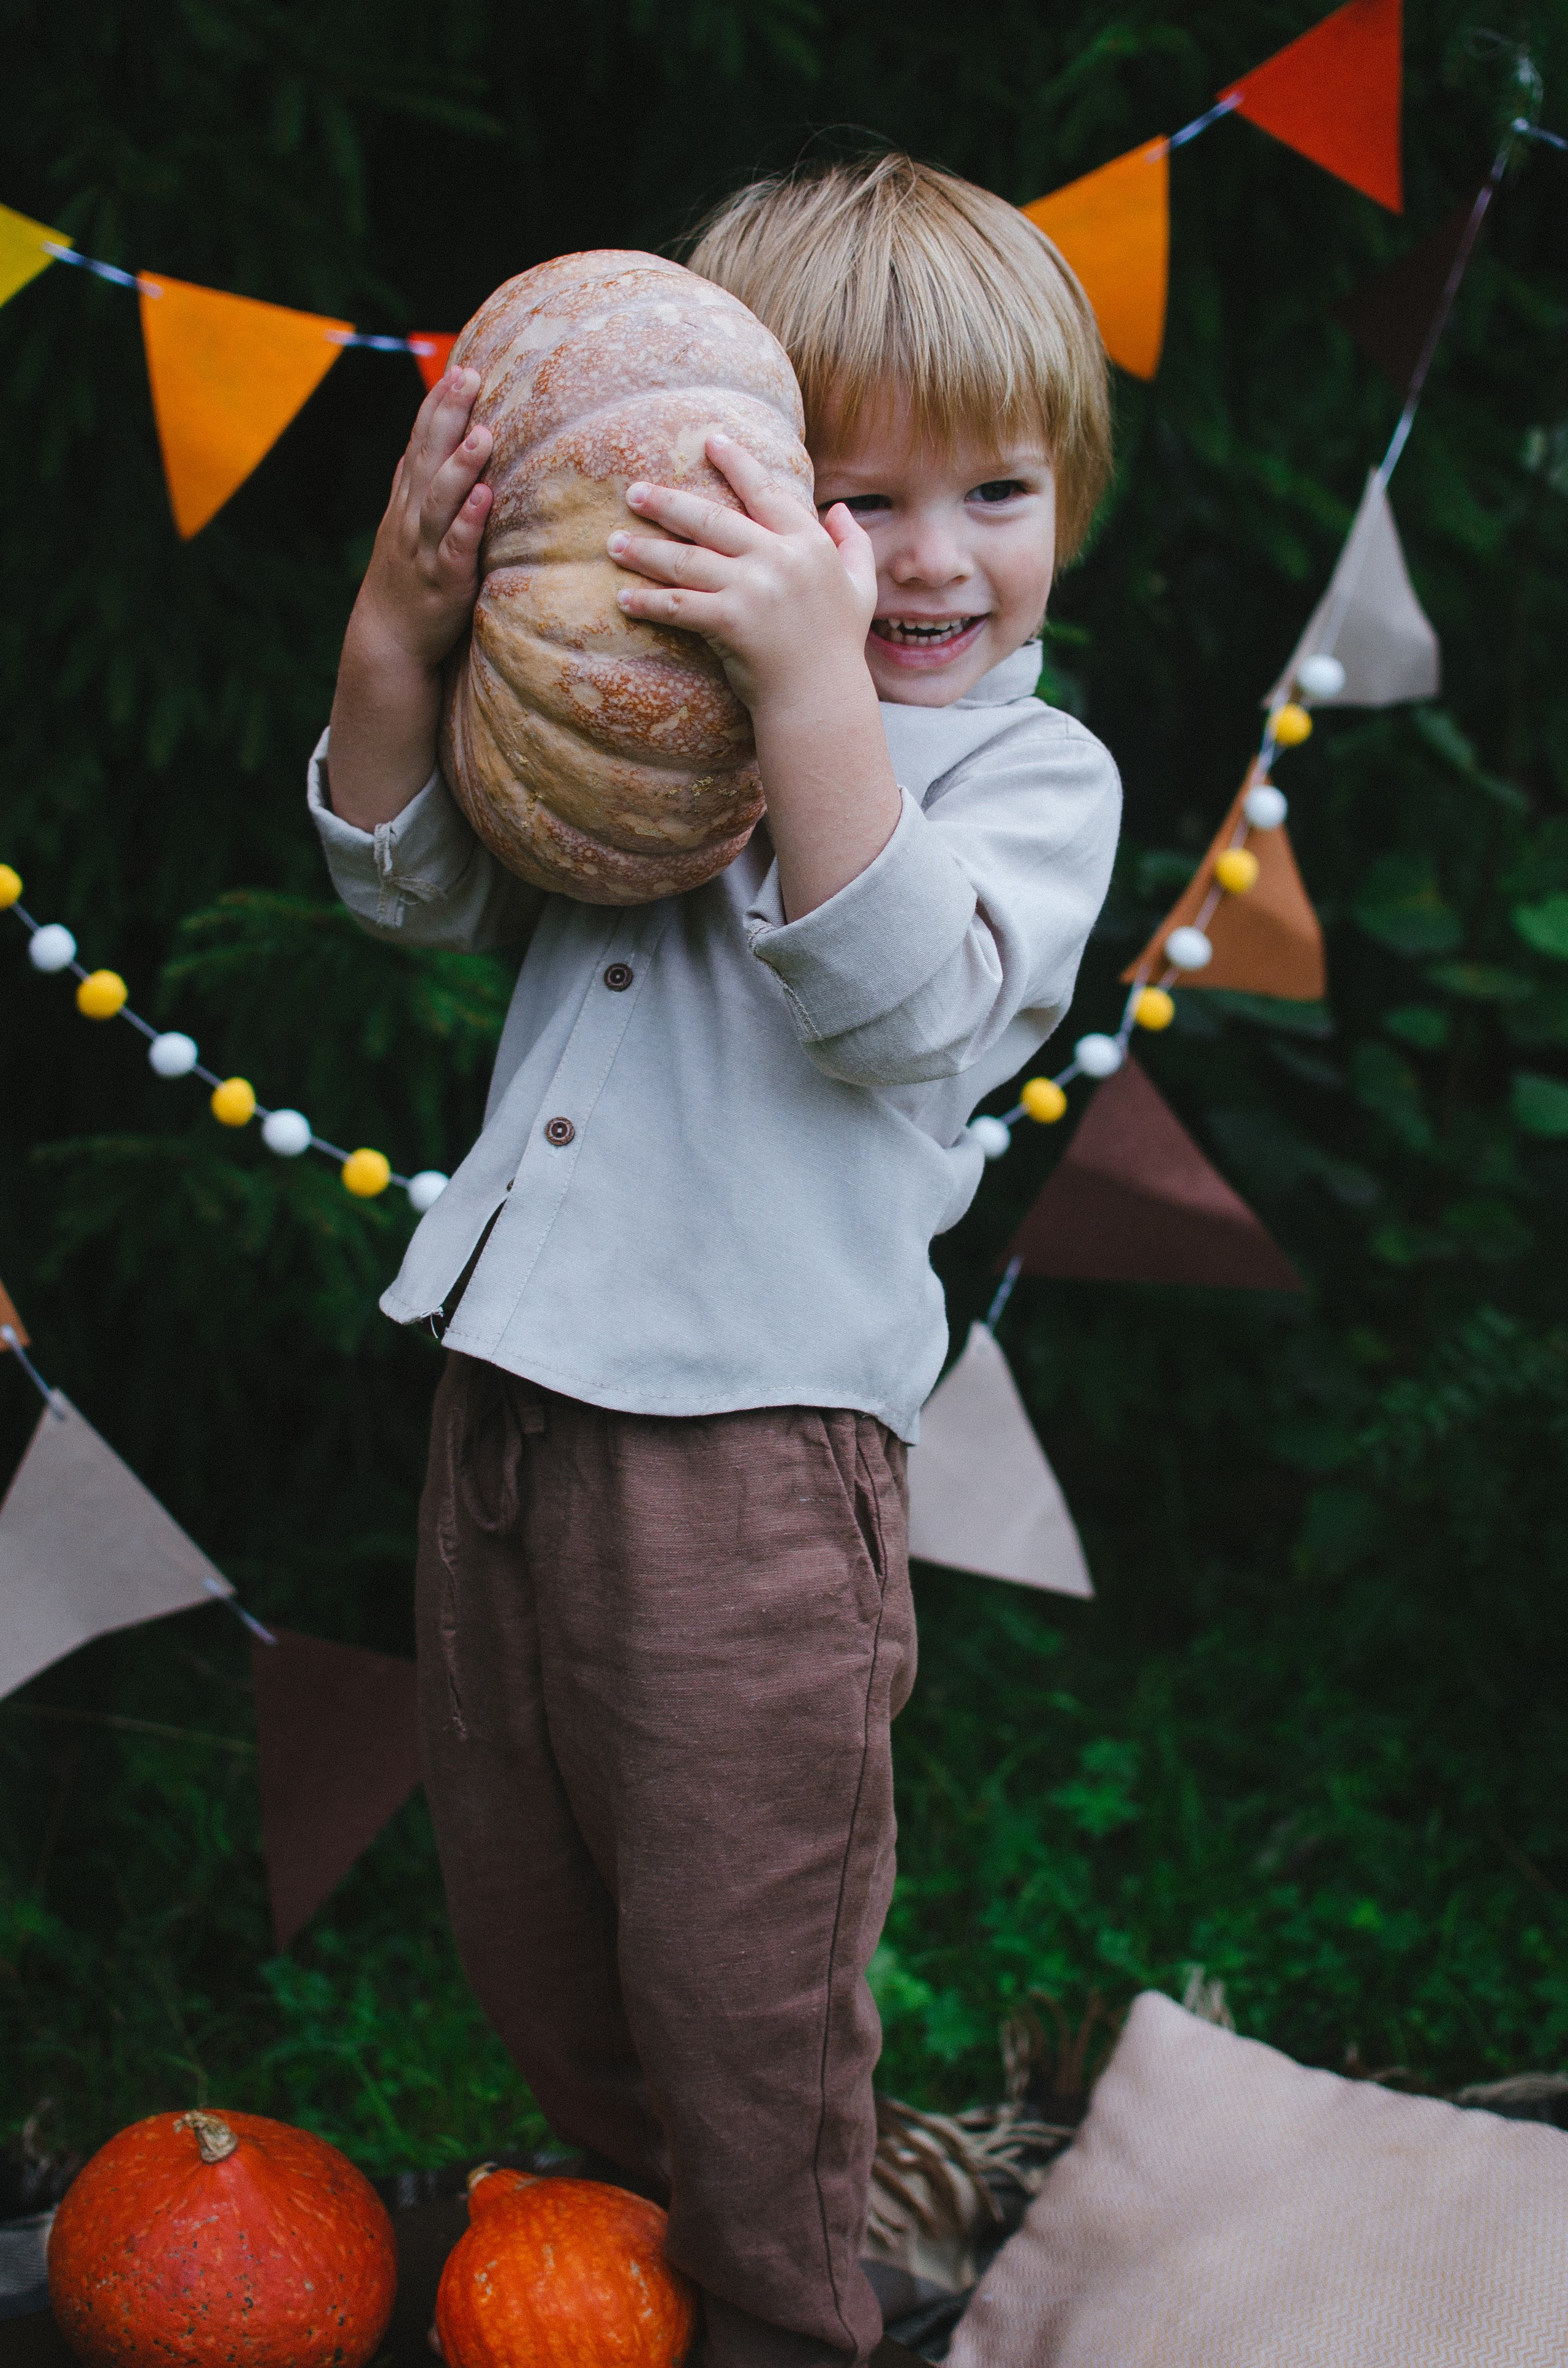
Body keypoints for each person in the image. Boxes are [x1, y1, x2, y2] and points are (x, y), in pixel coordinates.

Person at [311, 152, 1120, 2368]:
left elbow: (908, 1001)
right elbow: (413, 887)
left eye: (1000, 488)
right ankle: (613, 2276)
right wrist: (404, 627)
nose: (932, 556)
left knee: (740, 1963)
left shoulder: (1028, 777)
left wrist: (806, 681)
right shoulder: (627, 725)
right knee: (532, 1912)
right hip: (513, 1418)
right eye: (853, 502)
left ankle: (782, 2313)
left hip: (757, 1472)